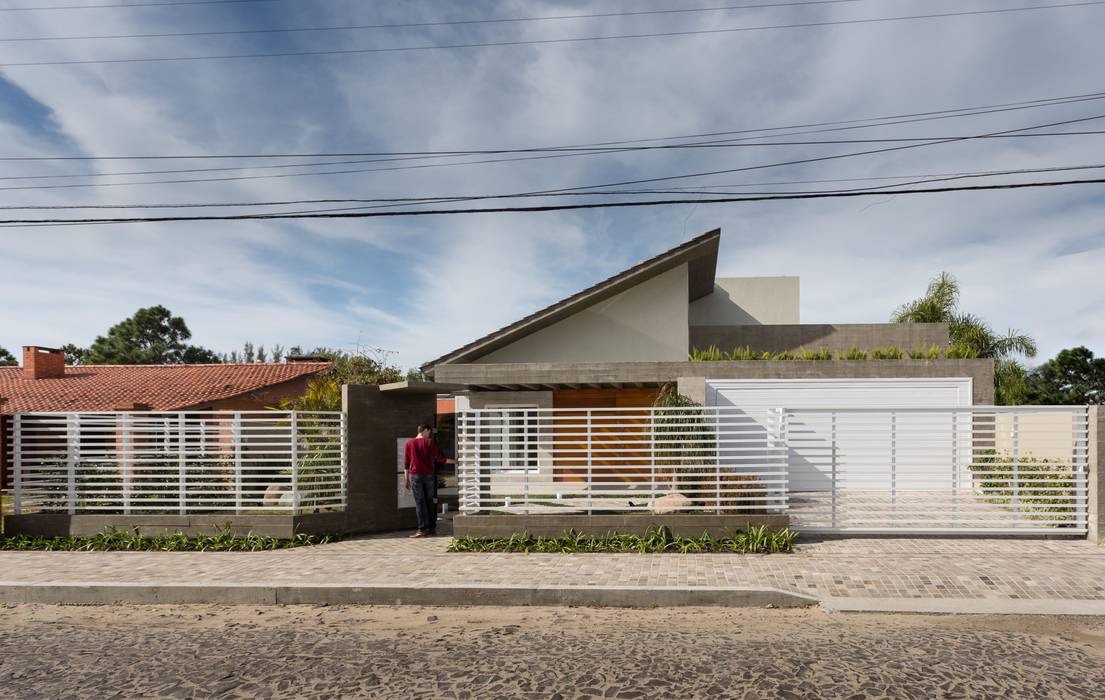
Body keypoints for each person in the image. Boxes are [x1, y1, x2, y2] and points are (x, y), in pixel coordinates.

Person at [403, 424, 455, 537]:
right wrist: (455, 461)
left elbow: (406, 463)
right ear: (425, 431)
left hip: (415, 476)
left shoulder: (409, 444)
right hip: (428, 476)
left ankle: (421, 529)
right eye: (429, 432)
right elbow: (438, 458)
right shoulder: (429, 442)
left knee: (419, 503)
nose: (429, 435)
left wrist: (406, 479)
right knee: (430, 502)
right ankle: (432, 528)